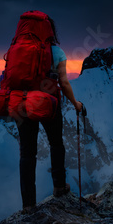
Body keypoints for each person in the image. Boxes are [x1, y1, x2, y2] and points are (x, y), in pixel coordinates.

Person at [17, 16, 83, 212]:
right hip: (49, 103)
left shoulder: (19, 50)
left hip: (23, 104)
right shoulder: (56, 51)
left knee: (27, 154)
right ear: (50, 31)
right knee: (56, 144)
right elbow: (63, 82)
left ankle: (28, 204)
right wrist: (75, 103)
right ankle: (59, 186)